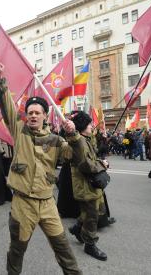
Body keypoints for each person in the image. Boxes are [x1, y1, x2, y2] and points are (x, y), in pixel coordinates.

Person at [0, 63, 82, 275]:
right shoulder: (20, 131)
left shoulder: (56, 140)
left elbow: (78, 157)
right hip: (23, 202)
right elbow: (7, 108)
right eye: (30, 112)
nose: (33, 115)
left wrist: (74, 135)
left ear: (45, 116)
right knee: (17, 249)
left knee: (63, 247)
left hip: (47, 202)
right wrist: (0, 83)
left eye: (37, 112)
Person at [66, 111, 109, 261]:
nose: (92, 126)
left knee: (94, 211)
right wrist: (102, 164)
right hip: (85, 185)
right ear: (83, 125)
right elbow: (86, 165)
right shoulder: (80, 142)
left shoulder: (86, 139)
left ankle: (77, 228)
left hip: (90, 185)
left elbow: (93, 155)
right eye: (89, 123)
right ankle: (90, 245)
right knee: (91, 217)